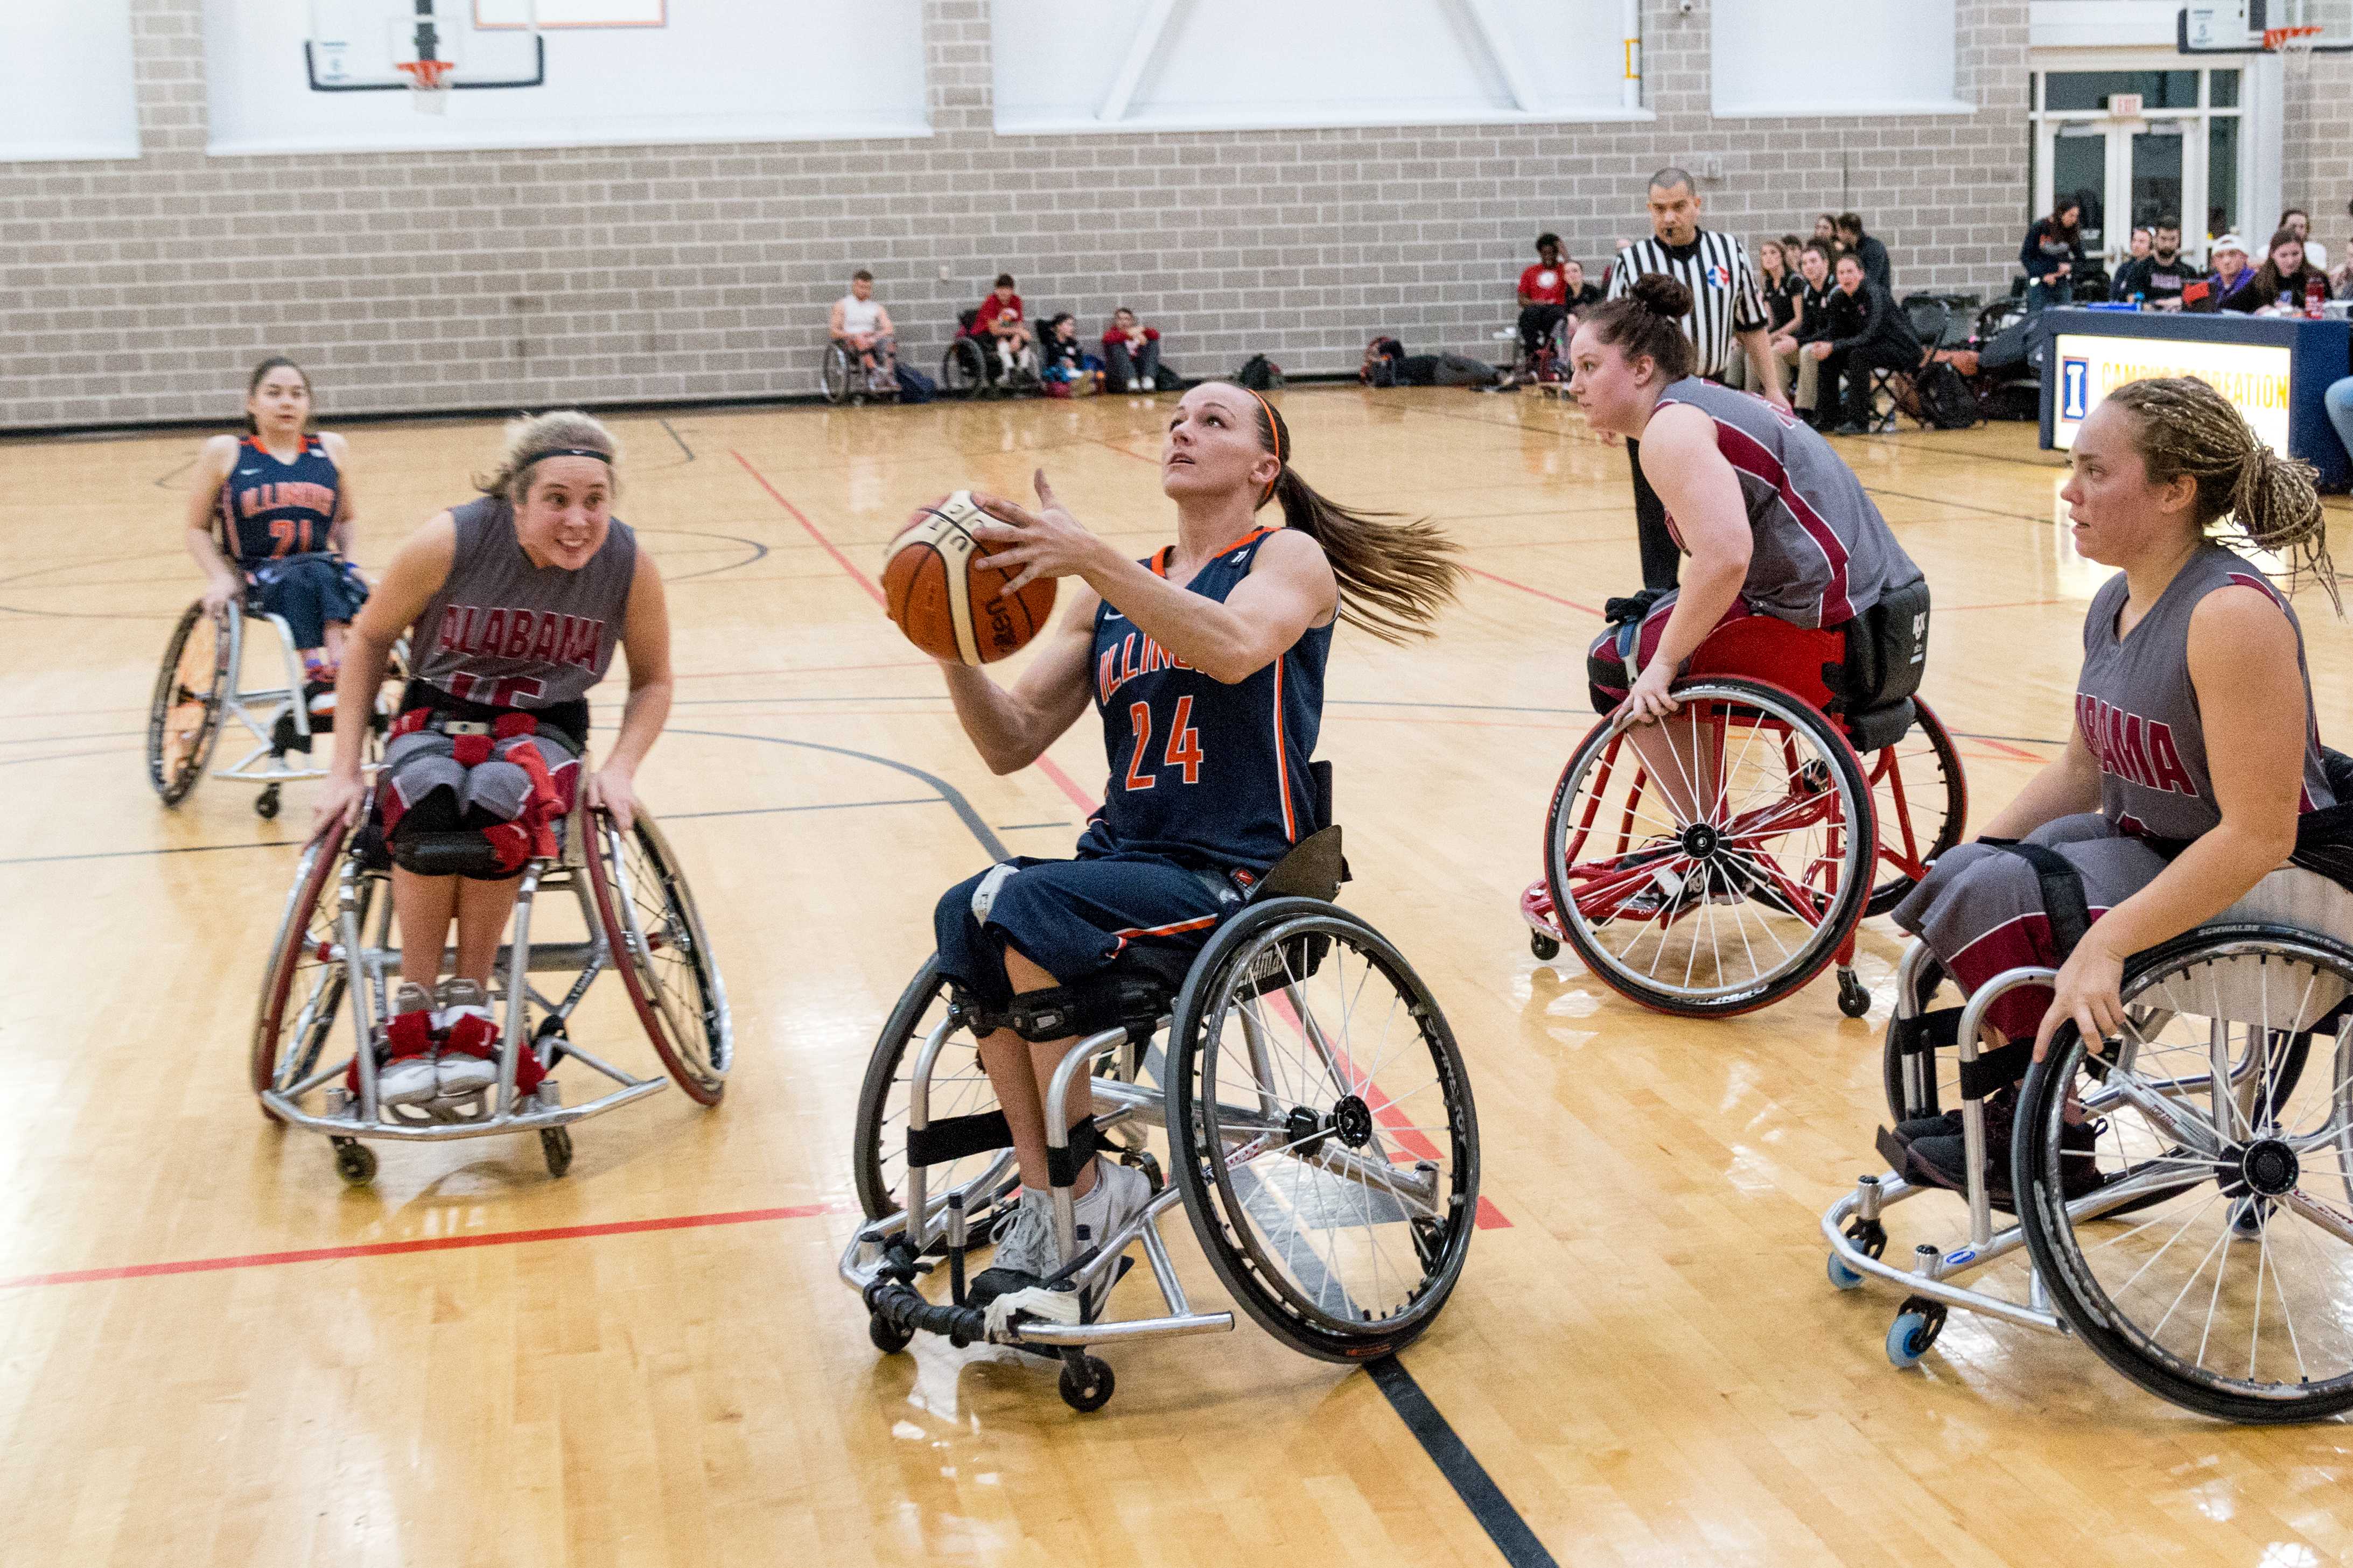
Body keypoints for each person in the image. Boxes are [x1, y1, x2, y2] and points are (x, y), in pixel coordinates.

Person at [923, 383, 1462, 1309]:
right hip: (1125, 867)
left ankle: (1077, 1200)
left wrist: (1090, 557)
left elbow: (1237, 647)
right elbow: (1009, 740)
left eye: (1214, 420)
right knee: (964, 912)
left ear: (1264, 468)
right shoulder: (1113, 594)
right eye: (1177, 417)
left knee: (1021, 907)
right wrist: (950, 641)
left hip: (1242, 878)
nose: (1183, 428)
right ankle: (1061, 1189)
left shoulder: (1286, 557)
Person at [1887, 377, 2338, 1199]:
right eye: (2072, 468)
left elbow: (2258, 833)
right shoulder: (2113, 600)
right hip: (2159, 850)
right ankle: (2022, 1105)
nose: (2069, 490)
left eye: (2095, 470)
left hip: (2270, 881)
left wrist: (2107, 941)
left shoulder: (2230, 615)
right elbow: (2080, 770)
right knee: (1972, 873)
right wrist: (1969, 850)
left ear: (2174, 491)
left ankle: (2046, 1122)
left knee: (2011, 893)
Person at [315, 412, 674, 1113]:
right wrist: (341, 770)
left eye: (595, 501)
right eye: (558, 500)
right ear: (516, 498)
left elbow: (654, 679)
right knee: (423, 794)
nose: (579, 520)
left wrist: (623, 767)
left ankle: (470, 1010)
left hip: (545, 728)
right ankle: (416, 1019)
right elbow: (367, 640)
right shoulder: (450, 539)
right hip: (435, 713)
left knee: (504, 797)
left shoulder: (627, 564)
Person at [1567, 275, 1924, 854]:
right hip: (1882, 602)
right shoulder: (1701, 401)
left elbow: (1726, 558)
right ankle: (1711, 828)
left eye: (1587, 367)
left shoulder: (1671, 430)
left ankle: (1708, 847)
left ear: (1638, 368)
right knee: (1661, 625)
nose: (1573, 384)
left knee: (1619, 663)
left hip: (1829, 624)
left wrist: (1659, 665)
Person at [1604, 168, 1785, 592]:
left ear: (1697, 205)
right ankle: (1660, 596)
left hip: (1713, 391)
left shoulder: (1729, 252)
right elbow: (1611, 342)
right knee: (1655, 504)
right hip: (1649, 401)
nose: (1670, 217)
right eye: (1660, 209)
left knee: (1728, 496)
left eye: (1679, 207)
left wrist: (1773, 388)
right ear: (1649, 210)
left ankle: (1733, 590)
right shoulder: (1631, 264)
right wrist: (1611, 410)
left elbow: (1752, 325)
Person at [182, 357, 367, 719]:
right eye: (274, 393)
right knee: (304, 573)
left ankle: (349, 670)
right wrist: (220, 576)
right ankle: (319, 670)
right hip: (260, 575)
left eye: (297, 394)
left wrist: (353, 561)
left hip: (323, 569)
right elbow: (196, 529)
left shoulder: (331, 447)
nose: (287, 402)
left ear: (308, 404)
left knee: (338, 575)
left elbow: (347, 519)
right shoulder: (227, 452)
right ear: (252, 403)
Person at [1803, 252, 1924, 437]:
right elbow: (1833, 333)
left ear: (1861, 274)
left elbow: (1870, 335)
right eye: (1841, 273)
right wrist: (1805, 342)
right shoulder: (1838, 298)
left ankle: (1859, 421)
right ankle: (1828, 417)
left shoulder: (1874, 294)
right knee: (1829, 357)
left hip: (1903, 349)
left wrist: (1834, 346)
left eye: (1850, 272)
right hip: (1874, 347)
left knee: (1858, 355)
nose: (1846, 277)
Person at [2219, 229, 2328, 314]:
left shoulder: (2317, 279)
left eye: (2295, 254)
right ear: (2272, 255)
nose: (2290, 261)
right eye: (2283, 256)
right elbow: (2229, 306)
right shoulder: (2261, 280)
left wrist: (2295, 312)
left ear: (2303, 253)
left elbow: (2329, 312)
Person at [829, 270, 897, 393]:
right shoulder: (842, 305)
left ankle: (889, 375)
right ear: (854, 286)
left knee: (890, 341)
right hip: (851, 345)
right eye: (862, 287)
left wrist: (875, 337)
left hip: (872, 342)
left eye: (868, 288)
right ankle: (875, 373)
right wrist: (856, 335)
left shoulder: (876, 307)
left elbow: (889, 329)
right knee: (860, 339)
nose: (865, 290)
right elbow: (834, 332)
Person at [2110, 219, 2193, 310]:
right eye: (2163, 239)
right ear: (2155, 239)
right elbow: (2134, 303)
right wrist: (2171, 304)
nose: (2167, 244)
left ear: (2179, 240)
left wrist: (2160, 303)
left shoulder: (2188, 272)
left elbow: (2195, 304)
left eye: (2173, 239)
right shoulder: (2139, 269)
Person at [1515, 232, 1573, 363]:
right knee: (1528, 315)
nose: (1548, 256)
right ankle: (1534, 352)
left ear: (1556, 253)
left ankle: (1552, 351)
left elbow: (1572, 266)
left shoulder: (1564, 269)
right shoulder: (1530, 271)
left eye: (1552, 253)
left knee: (1555, 316)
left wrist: (1561, 247)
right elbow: (1521, 300)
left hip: (1556, 309)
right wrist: (1535, 302)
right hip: (1537, 308)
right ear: (1540, 253)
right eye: (1544, 253)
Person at [2021, 199, 2084, 311]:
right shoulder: (2039, 228)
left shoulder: (2073, 231)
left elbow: (2082, 259)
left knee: (2064, 315)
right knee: (2037, 315)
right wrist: (2043, 275)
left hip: (2061, 281)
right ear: (2061, 214)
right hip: (2039, 281)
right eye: (2071, 216)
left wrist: (2070, 267)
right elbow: (2026, 256)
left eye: (2076, 216)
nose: (2074, 220)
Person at [972, 273, 1036, 382]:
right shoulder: (991, 302)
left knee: (1024, 340)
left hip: (1005, 329)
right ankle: (1010, 371)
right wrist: (1019, 331)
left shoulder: (1016, 300)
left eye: (1006, 289)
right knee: (1002, 342)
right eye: (1000, 289)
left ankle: (1023, 370)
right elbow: (995, 331)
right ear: (996, 290)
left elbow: (1019, 323)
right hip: (984, 333)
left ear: (1012, 290)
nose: (1003, 292)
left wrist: (1017, 337)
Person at [1102, 307, 1164, 392]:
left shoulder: (1138, 332)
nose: (1124, 322)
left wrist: (1143, 330)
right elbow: (1107, 339)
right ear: (1116, 322)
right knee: (1115, 345)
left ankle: (1148, 379)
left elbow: (1155, 335)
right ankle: (1131, 381)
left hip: (1139, 371)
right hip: (1120, 375)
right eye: (1120, 319)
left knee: (1152, 342)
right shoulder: (1111, 334)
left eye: (1127, 319)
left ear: (1132, 321)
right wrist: (1127, 334)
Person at [2189, 232, 2253, 311]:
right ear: (2214, 262)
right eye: (2220, 256)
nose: (2226, 261)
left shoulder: (2254, 282)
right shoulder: (2212, 283)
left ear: (2245, 257)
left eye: (2232, 254)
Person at [1039, 313, 1101, 394]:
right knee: (1057, 385)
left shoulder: (1073, 343)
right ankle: (1075, 389)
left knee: (1091, 382)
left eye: (1073, 325)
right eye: (1069, 325)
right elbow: (1040, 323)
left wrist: (1074, 364)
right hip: (1056, 375)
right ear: (1058, 326)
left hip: (1072, 373)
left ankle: (1074, 390)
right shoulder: (1050, 340)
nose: (1072, 328)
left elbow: (1080, 360)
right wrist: (1063, 362)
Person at [1834, 213, 1892, 293]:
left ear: (1847, 231)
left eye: (1839, 231)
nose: (1837, 235)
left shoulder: (1874, 247)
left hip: (1876, 298)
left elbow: (1872, 278)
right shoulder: (1848, 250)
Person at [2282, 207, 2329, 273]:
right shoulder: (2266, 251)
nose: (2298, 231)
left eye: (2302, 227)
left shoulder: (2317, 250)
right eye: (2293, 226)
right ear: (2283, 227)